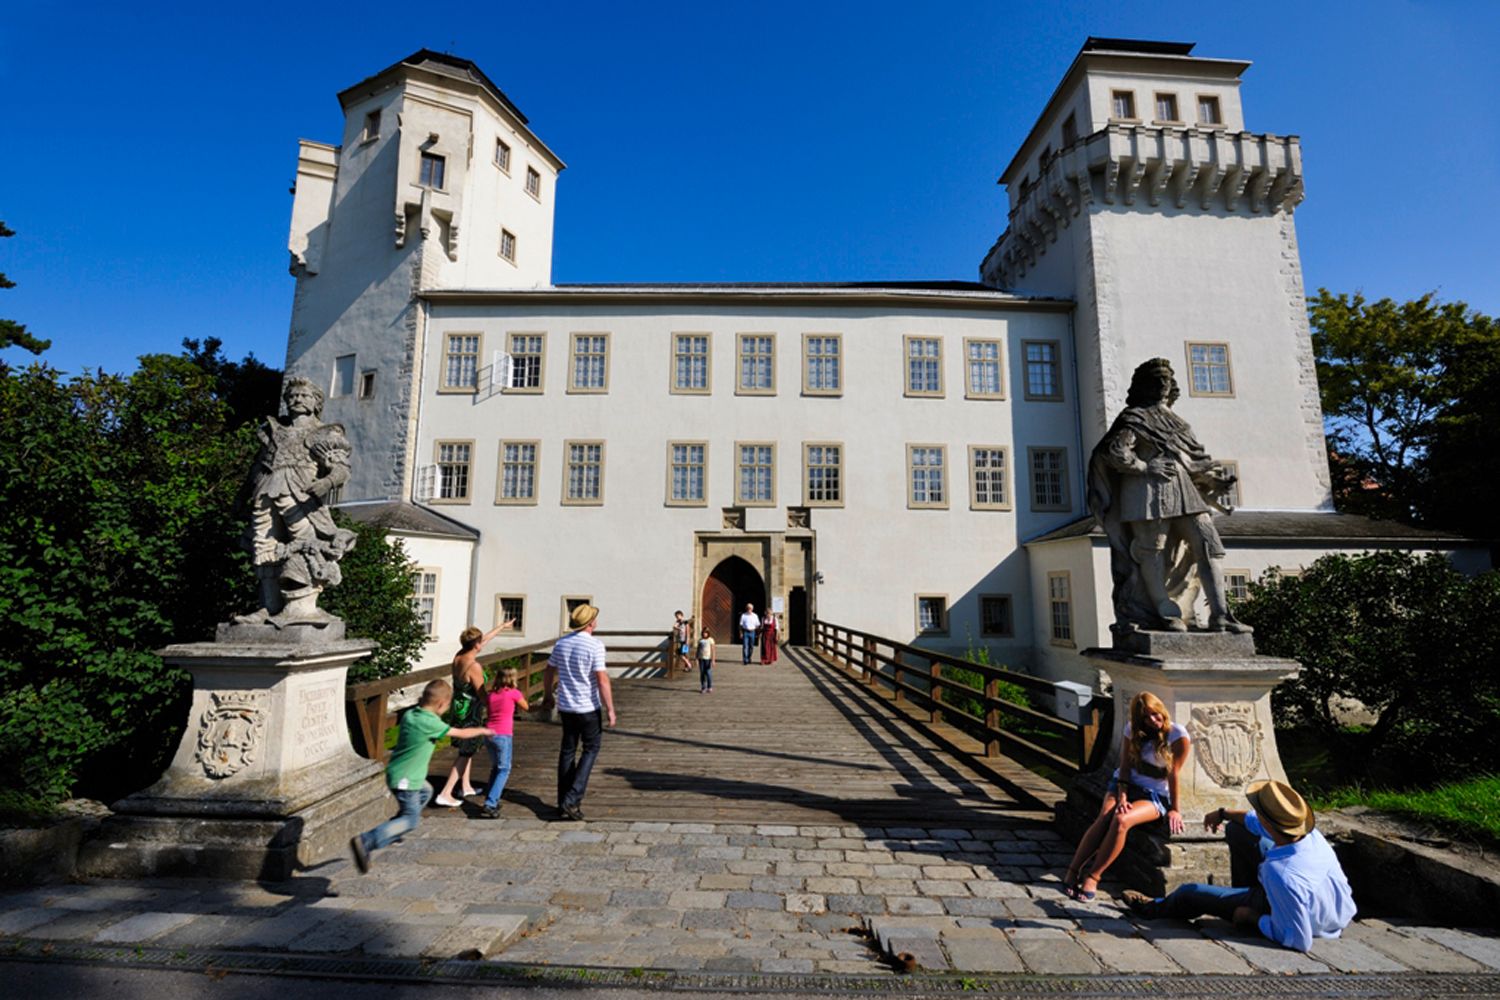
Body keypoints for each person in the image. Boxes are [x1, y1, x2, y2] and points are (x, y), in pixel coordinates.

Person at [1087, 358, 1247, 633]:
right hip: (1146, 492)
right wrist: (1144, 466)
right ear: (1144, 385)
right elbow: (1115, 452)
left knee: (1208, 545)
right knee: (1150, 551)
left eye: (1167, 380)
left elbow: (1192, 461)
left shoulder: (1178, 423)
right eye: (1156, 379)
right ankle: (1162, 609)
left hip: (1185, 490)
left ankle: (1221, 614)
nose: (1163, 384)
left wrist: (1212, 481)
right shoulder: (1134, 417)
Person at [1122, 780, 1357, 952]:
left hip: (1305, 917)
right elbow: (1254, 822)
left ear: (1269, 823)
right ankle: (1242, 898)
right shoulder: (1308, 834)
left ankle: (1153, 909)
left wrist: (1253, 918)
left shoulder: (1282, 874)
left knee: (1188, 893)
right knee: (1237, 828)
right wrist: (1223, 813)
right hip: (1329, 908)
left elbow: (1299, 939)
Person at [234, 377, 356, 626]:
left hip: (300, 495)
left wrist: (326, 482)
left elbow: (342, 469)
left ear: (315, 402)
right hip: (266, 491)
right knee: (264, 548)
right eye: (292, 396)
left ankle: (302, 607)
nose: (297, 400)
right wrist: (242, 496)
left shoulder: (324, 433)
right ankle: (267, 607)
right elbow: (258, 468)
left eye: (303, 396)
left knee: (307, 545)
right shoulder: (274, 432)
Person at [350, 679, 490, 873]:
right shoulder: (430, 722)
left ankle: (396, 827)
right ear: (441, 704)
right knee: (411, 820)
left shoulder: (411, 715)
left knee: (427, 791)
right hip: (407, 779)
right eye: (447, 706)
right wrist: (483, 729)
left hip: (396, 772)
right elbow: (461, 733)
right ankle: (367, 841)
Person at [1063, 692, 1189, 901]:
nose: (1152, 721)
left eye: (1155, 715)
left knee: (1122, 820)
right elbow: (1124, 768)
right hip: (1125, 784)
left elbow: (1174, 774)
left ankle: (1093, 876)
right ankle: (1073, 870)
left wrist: (1175, 809)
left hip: (1154, 793)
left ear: (1161, 711)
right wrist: (1122, 796)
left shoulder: (1177, 734)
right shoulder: (1132, 730)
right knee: (1105, 815)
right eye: (1146, 718)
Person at [545, 604, 616, 821]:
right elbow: (602, 679)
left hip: (566, 706)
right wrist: (610, 709)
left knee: (567, 751)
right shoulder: (595, 645)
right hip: (587, 707)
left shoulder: (561, 644)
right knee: (591, 749)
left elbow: (548, 670)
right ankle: (572, 799)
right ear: (591, 623)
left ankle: (562, 801)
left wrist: (548, 695)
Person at [435, 620, 513, 807]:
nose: (482, 644)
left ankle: (466, 786)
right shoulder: (474, 666)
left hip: (458, 707)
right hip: (471, 711)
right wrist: (501, 701)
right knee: (467, 751)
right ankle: (446, 792)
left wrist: (502, 627)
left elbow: (483, 640)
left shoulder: (459, 656)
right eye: (480, 642)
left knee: (466, 749)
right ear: (476, 644)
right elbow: (483, 695)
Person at [477, 666, 529, 819]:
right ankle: (490, 803)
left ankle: (492, 797)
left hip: (489, 734)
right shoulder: (514, 693)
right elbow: (527, 708)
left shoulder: (491, 694)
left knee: (496, 768)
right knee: (504, 769)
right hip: (503, 735)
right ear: (513, 678)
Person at [671, 610, 692, 674]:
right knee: (682, 654)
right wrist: (678, 627)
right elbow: (674, 626)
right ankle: (687, 666)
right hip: (681, 640)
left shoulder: (685, 622)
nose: (677, 618)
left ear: (681, 615)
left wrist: (687, 640)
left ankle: (688, 665)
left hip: (685, 641)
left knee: (682, 654)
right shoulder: (679, 622)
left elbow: (688, 631)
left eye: (678, 616)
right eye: (676, 617)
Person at [697, 627, 716, 693]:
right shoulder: (700, 640)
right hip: (701, 658)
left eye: (706, 633)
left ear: (708, 633)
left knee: (708, 673)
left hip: (708, 658)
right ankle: (703, 687)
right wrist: (696, 658)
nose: (705, 634)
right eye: (704, 633)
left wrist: (713, 660)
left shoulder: (711, 640)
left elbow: (713, 650)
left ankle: (709, 686)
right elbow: (698, 649)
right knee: (702, 673)